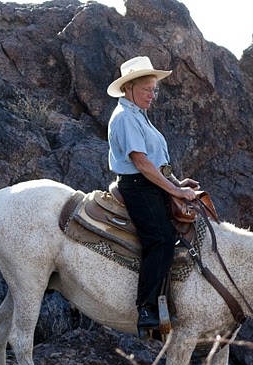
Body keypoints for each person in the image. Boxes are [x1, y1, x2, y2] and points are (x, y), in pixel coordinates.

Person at [106, 56, 199, 335]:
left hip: (150, 182)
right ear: (128, 88)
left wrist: (176, 182)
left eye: (154, 89)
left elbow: (156, 163)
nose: (152, 95)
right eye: (147, 89)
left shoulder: (138, 115)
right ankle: (146, 308)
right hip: (138, 185)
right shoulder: (124, 117)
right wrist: (175, 190)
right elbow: (142, 162)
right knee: (160, 238)